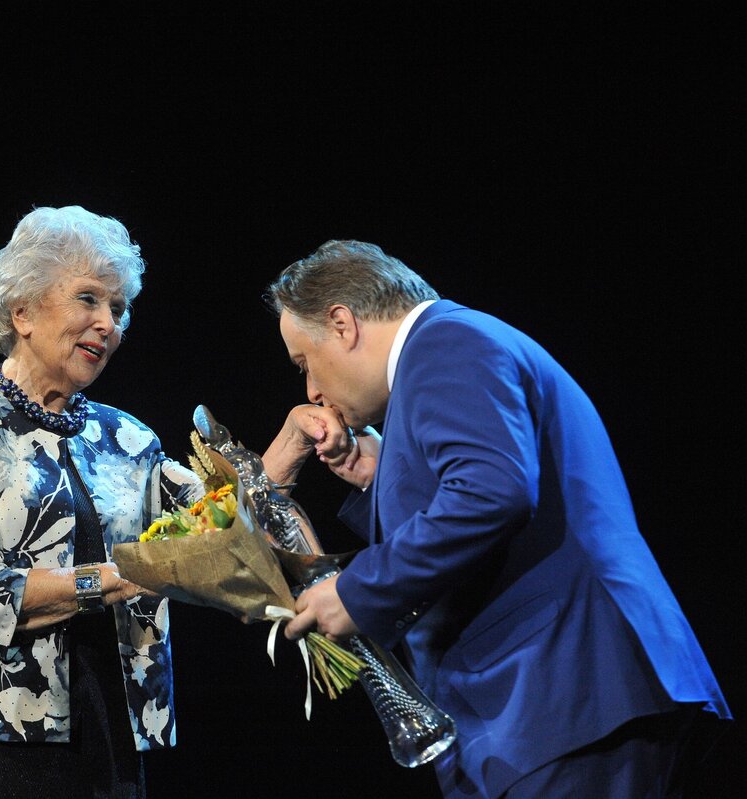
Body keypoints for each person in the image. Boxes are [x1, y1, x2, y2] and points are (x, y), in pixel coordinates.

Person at [261, 239, 731, 798]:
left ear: (342, 324)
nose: (311, 388)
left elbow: (492, 493)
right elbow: (490, 499)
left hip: (564, 695)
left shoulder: (444, 343)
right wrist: (379, 482)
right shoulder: (450, 350)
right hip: (553, 708)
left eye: (303, 362)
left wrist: (357, 590)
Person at [0, 205, 202, 799]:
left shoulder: (129, 437)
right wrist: (114, 579)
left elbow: (212, 522)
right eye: (88, 299)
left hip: (114, 719)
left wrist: (290, 450)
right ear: (22, 312)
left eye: (119, 310)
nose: (108, 324)